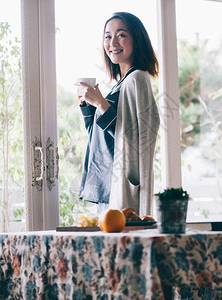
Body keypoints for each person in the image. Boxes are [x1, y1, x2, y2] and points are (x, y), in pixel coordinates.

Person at [76, 12, 160, 216]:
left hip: (122, 183)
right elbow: (100, 135)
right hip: (109, 182)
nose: (113, 42)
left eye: (121, 35)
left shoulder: (137, 79)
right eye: (107, 36)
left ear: (137, 40)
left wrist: (101, 104)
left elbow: (135, 137)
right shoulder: (119, 85)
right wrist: (89, 106)